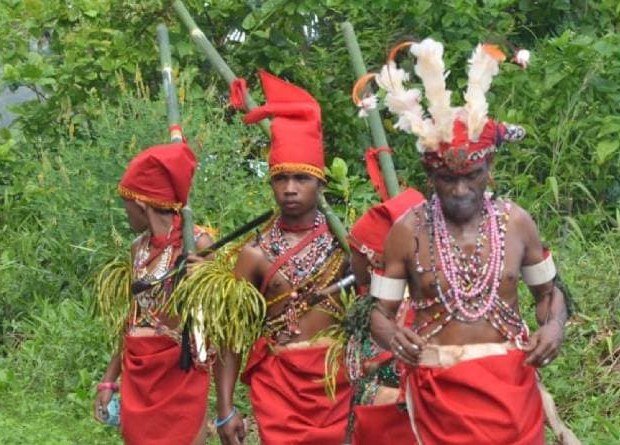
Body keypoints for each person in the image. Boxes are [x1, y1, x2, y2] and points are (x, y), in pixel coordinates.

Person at [368, 39, 571, 444]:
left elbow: (550, 292)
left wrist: (553, 329)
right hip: (441, 399)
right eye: (447, 179)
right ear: (430, 176)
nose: (460, 190)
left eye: (472, 176)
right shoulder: (407, 231)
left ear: (489, 168)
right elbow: (376, 312)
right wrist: (392, 336)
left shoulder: (517, 224)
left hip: (513, 395)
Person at [214, 70, 352, 445]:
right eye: (281, 178)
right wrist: (225, 409)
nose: (290, 189)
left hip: (335, 385)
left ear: (321, 183)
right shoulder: (254, 255)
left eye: (301, 179)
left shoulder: (346, 245)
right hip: (279, 390)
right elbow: (231, 337)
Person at [94, 142, 214, 445]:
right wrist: (110, 378)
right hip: (139, 377)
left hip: (180, 375)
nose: (126, 212)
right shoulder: (138, 248)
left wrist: (203, 279)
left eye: (126, 203)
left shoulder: (197, 245)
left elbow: (218, 320)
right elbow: (132, 320)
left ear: (142, 203)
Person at [344, 188, 426, 444]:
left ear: (373, 261)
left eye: (354, 252)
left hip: (393, 424)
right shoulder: (373, 298)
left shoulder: (405, 310)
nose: (350, 261)